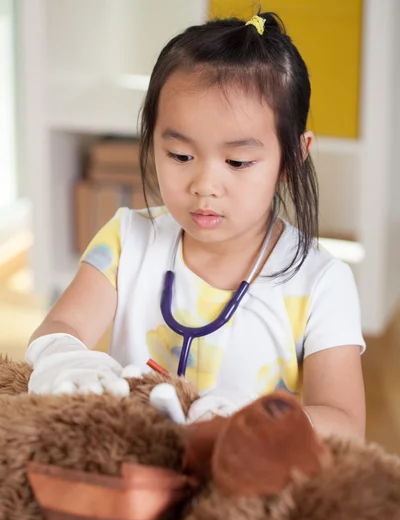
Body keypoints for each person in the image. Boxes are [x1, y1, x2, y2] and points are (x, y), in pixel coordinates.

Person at [26, 13, 366, 439]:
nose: (204, 186)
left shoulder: (321, 284)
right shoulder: (126, 240)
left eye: (238, 162)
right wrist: (65, 356)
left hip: (239, 487)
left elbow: (346, 425)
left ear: (293, 157)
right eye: (180, 156)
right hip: (131, 474)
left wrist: (258, 424)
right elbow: (63, 326)